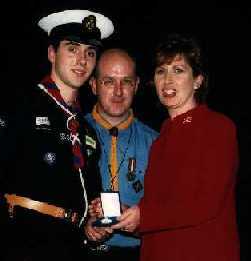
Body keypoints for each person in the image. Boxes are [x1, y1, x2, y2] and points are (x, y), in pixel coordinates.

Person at [0, 9, 114, 261]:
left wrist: (91, 225)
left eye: (90, 52)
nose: (82, 60)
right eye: (72, 48)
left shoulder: (86, 131)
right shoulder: (17, 108)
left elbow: (86, 199)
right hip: (22, 247)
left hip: (72, 248)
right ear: (52, 53)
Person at [112, 33, 240, 261]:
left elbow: (205, 203)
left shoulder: (217, 126)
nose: (167, 80)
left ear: (198, 80)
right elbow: (163, 208)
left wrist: (144, 215)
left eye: (178, 70)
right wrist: (128, 215)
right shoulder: (161, 138)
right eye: (161, 71)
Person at [84, 48, 158, 261]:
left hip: (139, 253)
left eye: (125, 81)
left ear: (135, 85)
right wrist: (84, 224)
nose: (118, 92)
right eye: (108, 81)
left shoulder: (157, 143)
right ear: (93, 85)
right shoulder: (73, 133)